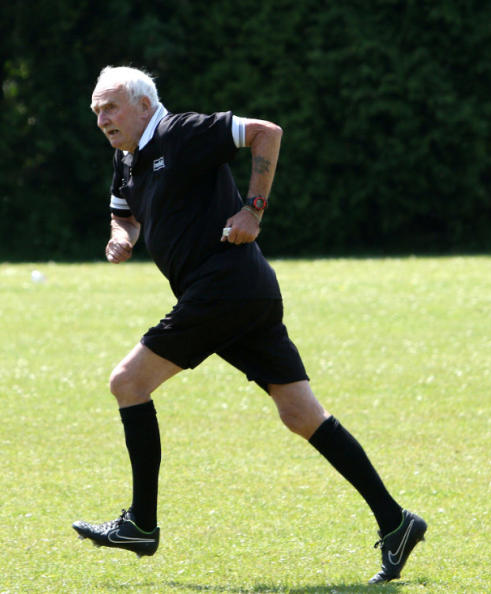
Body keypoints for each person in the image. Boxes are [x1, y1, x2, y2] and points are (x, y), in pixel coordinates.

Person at [72, 66, 425, 584]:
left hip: (226, 289)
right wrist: (121, 236)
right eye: (97, 111)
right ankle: (396, 523)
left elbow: (267, 132)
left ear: (144, 105)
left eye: (111, 108)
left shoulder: (181, 131)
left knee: (128, 382)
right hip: (245, 293)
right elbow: (123, 214)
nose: (102, 119)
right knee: (302, 414)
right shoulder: (127, 159)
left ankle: (141, 524)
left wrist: (253, 209)